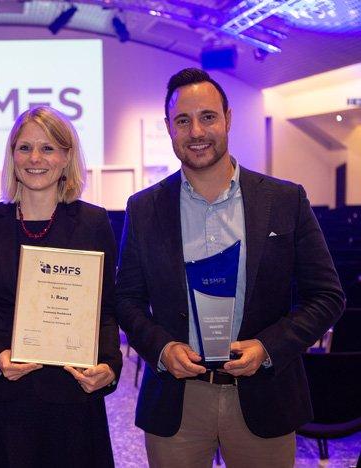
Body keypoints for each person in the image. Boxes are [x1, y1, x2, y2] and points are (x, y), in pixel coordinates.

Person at [115, 68, 345, 467]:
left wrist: (268, 347)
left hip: (264, 396)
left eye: (207, 117)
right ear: (168, 128)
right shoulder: (144, 208)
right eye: (182, 121)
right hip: (177, 400)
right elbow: (126, 300)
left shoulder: (284, 200)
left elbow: (327, 297)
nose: (196, 132)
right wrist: (162, 349)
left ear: (228, 119)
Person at [0, 106, 122, 468]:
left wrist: (110, 366)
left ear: (66, 157)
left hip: (74, 394)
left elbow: (107, 308)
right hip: (7, 392)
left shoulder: (93, 222)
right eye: (25, 148)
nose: (35, 158)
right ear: (12, 155)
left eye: (48, 148)